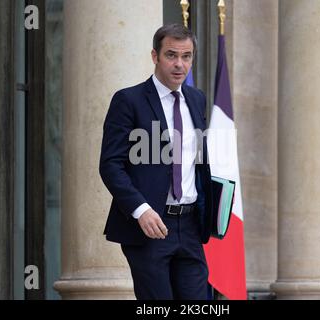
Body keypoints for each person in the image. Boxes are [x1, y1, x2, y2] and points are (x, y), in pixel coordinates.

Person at [99, 24, 213, 300]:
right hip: (148, 228)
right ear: (155, 56)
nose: (179, 64)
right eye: (171, 55)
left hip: (189, 227)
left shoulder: (197, 100)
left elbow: (197, 161)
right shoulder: (129, 100)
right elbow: (111, 165)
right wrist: (141, 210)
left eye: (186, 57)